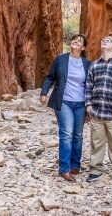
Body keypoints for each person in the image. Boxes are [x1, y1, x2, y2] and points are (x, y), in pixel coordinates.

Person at [40, 34, 91, 182]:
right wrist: (44, 92)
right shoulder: (60, 59)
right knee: (67, 134)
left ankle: (75, 165)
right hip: (64, 102)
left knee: (78, 135)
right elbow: (50, 77)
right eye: (74, 40)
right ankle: (64, 168)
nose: (76, 41)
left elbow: (91, 84)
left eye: (79, 41)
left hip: (80, 103)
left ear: (83, 48)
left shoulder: (87, 64)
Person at [85, 36, 112, 184]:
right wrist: (88, 104)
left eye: (108, 40)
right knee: (97, 143)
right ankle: (95, 170)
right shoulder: (94, 65)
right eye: (102, 40)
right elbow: (88, 86)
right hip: (97, 112)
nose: (104, 41)